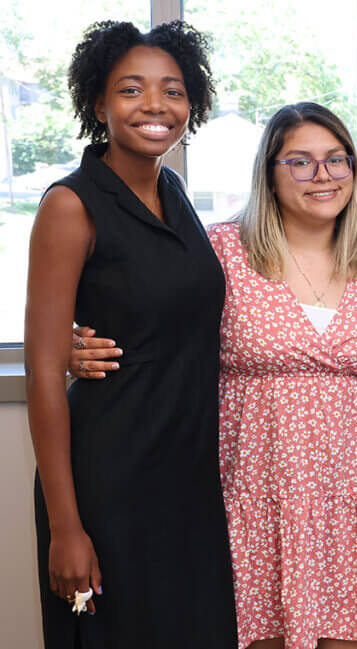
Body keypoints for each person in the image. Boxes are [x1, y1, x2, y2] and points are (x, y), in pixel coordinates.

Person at [70, 102, 357, 649]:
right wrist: (73, 342)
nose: (322, 175)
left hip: (345, 509)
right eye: (299, 162)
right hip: (250, 504)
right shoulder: (223, 252)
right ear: (270, 175)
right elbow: (152, 312)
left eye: (336, 160)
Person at [25, 20, 237, 648]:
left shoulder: (173, 190)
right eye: (131, 90)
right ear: (98, 103)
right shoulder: (71, 204)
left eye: (172, 91)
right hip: (109, 482)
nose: (155, 106)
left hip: (188, 479)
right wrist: (67, 526)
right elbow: (42, 371)